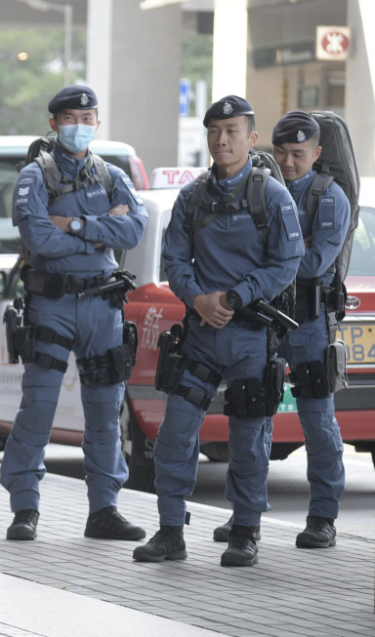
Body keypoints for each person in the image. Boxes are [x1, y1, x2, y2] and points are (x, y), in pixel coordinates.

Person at [133, 95, 303, 567]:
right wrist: (199, 299)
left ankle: (245, 531)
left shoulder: (271, 195)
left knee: (249, 441)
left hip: (249, 337)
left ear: (251, 137)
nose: (222, 139)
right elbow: (173, 262)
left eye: (232, 130)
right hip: (202, 335)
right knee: (174, 434)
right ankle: (170, 532)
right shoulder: (192, 197)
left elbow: (287, 262)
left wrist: (236, 297)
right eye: (215, 131)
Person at [1, 84, 148, 543]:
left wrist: (77, 224)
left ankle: (104, 510)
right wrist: (103, 230)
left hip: (102, 306)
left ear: (97, 123)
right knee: (38, 408)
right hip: (53, 305)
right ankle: (25, 507)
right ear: (53, 123)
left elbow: (136, 228)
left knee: (106, 412)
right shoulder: (34, 176)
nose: (79, 127)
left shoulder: (112, 175)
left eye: (87, 120)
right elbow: (40, 239)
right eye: (70, 119)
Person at [213, 111, 349, 549]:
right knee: (251, 417)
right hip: (262, 321)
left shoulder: (330, 197)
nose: (288, 162)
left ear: (317, 153)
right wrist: (284, 253)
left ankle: (323, 517)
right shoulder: (258, 189)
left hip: (308, 324)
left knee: (317, 421)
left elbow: (313, 264)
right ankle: (244, 514)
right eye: (281, 153)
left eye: (298, 154)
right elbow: (237, 253)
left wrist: (272, 258)